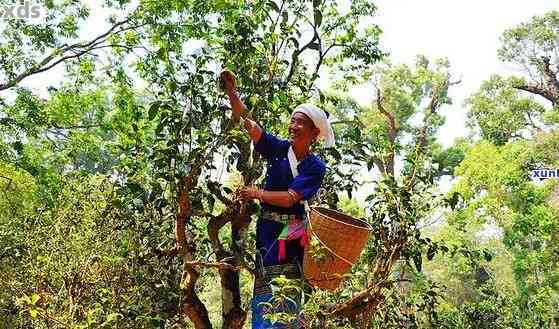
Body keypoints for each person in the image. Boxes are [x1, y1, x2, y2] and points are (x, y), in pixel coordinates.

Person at [220, 70, 334, 329]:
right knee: (265, 287)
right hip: (268, 229)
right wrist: (232, 92)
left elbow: (291, 198)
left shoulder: (315, 166)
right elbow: (250, 124)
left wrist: (256, 193)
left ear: (315, 132)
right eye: (292, 121)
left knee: (288, 286)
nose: (293, 127)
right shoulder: (279, 148)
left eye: (300, 123)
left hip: (293, 231)